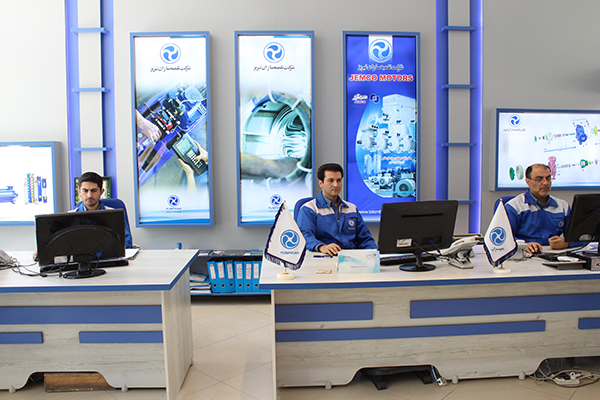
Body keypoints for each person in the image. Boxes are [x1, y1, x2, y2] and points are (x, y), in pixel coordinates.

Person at [297, 163, 376, 255]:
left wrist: (374, 255)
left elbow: (365, 239)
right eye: (331, 180)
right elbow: (305, 236)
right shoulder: (309, 208)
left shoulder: (352, 208)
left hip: (351, 259)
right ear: (321, 183)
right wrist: (322, 247)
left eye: (339, 180)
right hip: (324, 257)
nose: (336, 185)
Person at [504, 163, 576, 254]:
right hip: (524, 255)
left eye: (548, 178)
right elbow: (504, 237)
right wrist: (522, 245)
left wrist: (566, 243)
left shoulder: (563, 206)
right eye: (539, 179)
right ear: (528, 181)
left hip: (553, 254)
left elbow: (581, 238)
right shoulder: (515, 206)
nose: (545, 183)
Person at [73, 172, 133, 249]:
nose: (89, 195)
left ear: (101, 192)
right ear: (79, 192)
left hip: (111, 255)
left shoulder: (114, 214)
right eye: (85, 191)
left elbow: (126, 241)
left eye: (94, 191)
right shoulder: (70, 217)